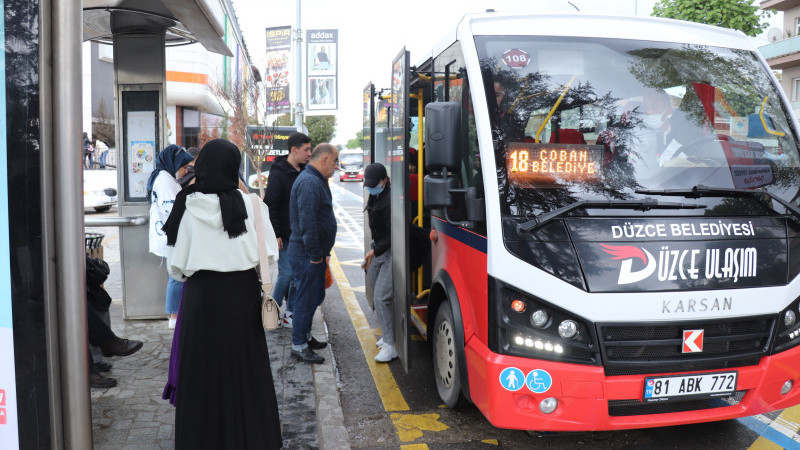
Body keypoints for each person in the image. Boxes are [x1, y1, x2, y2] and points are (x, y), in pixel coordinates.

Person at [163, 139, 282, 449]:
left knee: (201, 374)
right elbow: (269, 258)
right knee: (245, 372)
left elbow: (175, 269)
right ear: (234, 168)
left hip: (201, 300)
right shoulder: (253, 205)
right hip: (241, 297)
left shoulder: (187, 206)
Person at [288, 143, 338, 364]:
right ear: (325, 159)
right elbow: (308, 222)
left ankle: (305, 338)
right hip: (307, 255)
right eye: (335, 161)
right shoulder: (309, 182)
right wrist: (316, 255)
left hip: (312, 254)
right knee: (305, 300)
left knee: (312, 298)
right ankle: (298, 346)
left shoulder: (315, 179)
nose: (336, 167)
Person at [264, 132, 311, 327]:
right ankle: (272, 313)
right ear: (294, 150)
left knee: (297, 275)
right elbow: (271, 204)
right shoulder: (278, 172)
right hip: (285, 233)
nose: (309, 153)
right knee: (286, 274)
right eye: (306, 150)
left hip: (301, 234)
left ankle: (290, 313)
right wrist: (276, 234)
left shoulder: (305, 171)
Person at [147, 145, 194, 328]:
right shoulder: (165, 180)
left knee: (175, 275)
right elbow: (172, 211)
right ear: (174, 163)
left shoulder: (163, 177)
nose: (185, 171)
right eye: (184, 167)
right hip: (170, 235)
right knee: (176, 275)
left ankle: (175, 314)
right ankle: (174, 316)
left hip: (167, 234)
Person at [361, 163, 396, 362]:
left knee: (382, 297)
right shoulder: (376, 195)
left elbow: (394, 234)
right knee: (376, 295)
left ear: (384, 180)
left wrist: (374, 251)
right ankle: (388, 336)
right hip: (378, 250)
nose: (370, 187)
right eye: (369, 184)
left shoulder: (392, 199)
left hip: (391, 252)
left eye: (374, 183)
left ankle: (391, 346)